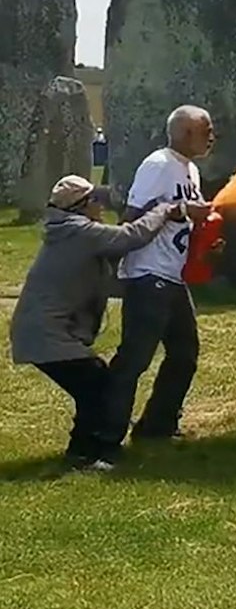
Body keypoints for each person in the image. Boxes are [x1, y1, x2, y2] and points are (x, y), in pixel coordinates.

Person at [8, 176, 188, 470]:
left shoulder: (70, 233)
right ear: (81, 206)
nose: (101, 206)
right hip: (47, 334)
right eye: (96, 201)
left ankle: (82, 451)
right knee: (97, 386)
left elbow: (108, 281)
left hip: (42, 331)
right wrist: (165, 210)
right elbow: (130, 237)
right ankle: (86, 454)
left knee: (94, 385)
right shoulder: (79, 232)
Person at [97, 105, 217, 457]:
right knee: (134, 359)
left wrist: (204, 240)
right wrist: (114, 269)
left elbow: (180, 221)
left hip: (172, 276)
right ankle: (104, 439)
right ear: (183, 133)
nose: (212, 136)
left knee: (184, 354)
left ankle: (156, 426)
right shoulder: (159, 165)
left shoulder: (190, 170)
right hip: (148, 275)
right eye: (205, 129)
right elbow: (132, 217)